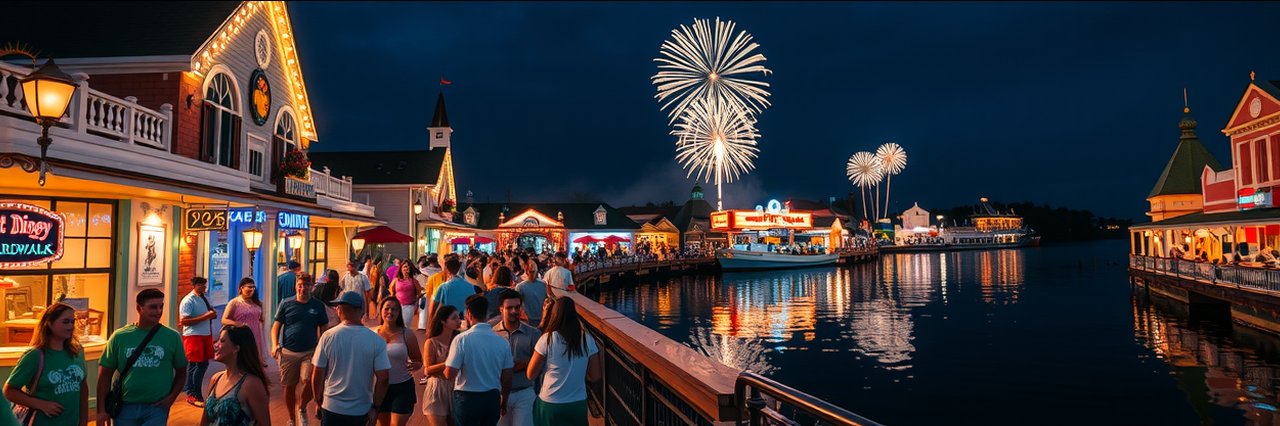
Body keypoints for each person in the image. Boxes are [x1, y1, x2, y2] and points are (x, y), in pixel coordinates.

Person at [96, 289, 188, 426]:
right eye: (153, 307)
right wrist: (101, 410)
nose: (158, 311)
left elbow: (181, 371)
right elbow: (104, 375)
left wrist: (171, 398)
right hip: (125, 407)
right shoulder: (120, 337)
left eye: (161, 306)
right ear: (139, 308)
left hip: (157, 407)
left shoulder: (172, 337)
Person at [311, 291, 390, 426]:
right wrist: (375, 408)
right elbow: (383, 378)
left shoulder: (328, 336)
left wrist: (318, 400)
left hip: (331, 407)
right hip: (360, 409)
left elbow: (317, 373)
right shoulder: (376, 341)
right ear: (361, 311)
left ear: (339, 310)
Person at [4, 303, 88, 426]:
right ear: (49, 323)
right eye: (65, 322)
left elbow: (83, 387)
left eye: (72, 322)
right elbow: (9, 391)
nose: (71, 326)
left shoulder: (77, 352)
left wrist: (83, 420)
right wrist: (42, 404)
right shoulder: (35, 356)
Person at [527, 297, 600, 426]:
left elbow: (530, 374)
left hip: (550, 403)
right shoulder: (587, 339)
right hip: (577, 404)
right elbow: (595, 376)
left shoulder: (547, 339)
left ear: (554, 315)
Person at [444, 295, 513, 426]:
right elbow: (508, 376)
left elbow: (449, 374)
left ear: (468, 314)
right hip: (492, 398)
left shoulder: (461, 339)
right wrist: (504, 401)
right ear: (486, 313)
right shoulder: (503, 342)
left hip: (467, 398)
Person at [273, 273, 330, 426]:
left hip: (310, 351)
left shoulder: (318, 306)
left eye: (306, 285)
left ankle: (302, 408)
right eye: (300, 285)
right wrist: (274, 344)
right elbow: (276, 326)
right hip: (288, 352)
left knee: (309, 380)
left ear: (311, 287)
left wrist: (322, 347)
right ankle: (291, 418)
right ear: (295, 286)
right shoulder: (286, 303)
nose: (302, 288)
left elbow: (324, 328)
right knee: (289, 386)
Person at [200, 325, 271, 426]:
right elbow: (204, 421)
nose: (216, 345)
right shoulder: (216, 378)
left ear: (236, 348)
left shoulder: (251, 384)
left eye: (222, 341)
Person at [490, 290, 540, 426]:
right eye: (509, 308)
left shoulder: (533, 333)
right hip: (498, 393)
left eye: (517, 307)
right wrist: (521, 365)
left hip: (525, 392)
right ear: (501, 309)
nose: (514, 311)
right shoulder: (491, 334)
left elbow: (538, 364)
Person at [375, 299, 423, 426]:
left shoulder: (407, 334)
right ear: (381, 310)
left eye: (394, 309)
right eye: (387, 308)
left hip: (402, 386)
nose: (390, 312)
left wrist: (417, 364)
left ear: (399, 312)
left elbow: (418, 360)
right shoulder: (373, 333)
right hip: (379, 388)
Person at [179, 277, 218, 407]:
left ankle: (197, 392)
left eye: (204, 285)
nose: (203, 287)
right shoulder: (188, 300)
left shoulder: (205, 297)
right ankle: (192, 393)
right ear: (194, 285)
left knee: (203, 364)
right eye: (200, 285)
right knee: (195, 365)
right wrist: (206, 316)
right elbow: (184, 321)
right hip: (193, 335)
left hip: (206, 333)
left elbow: (211, 312)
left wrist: (211, 314)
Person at [421, 305, 460, 426]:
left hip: (456, 388)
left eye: (459, 317)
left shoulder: (460, 340)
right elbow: (427, 370)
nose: (458, 320)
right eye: (454, 318)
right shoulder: (431, 342)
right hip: (437, 388)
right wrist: (449, 362)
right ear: (443, 321)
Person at [222, 278, 266, 364]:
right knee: (242, 358)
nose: (251, 289)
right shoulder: (234, 303)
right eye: (249, 287)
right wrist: (238, 324)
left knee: (254, 358)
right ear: (241, 288)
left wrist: (261, 331)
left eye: (253, 287)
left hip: (255, 334)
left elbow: (261, 319)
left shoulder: (258, 303)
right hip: (241, 333)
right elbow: (224, 320)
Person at [429, 256, 474, 323]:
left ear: (446, 269)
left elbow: (434, 307)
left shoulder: (444, 287)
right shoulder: (470, 286)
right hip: (466, 321)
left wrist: (432, 322)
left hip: (449, 321)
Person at [514, 260, 547, 325]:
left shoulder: (543, 284)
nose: (532, 274)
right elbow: (516, 304)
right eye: (530, 271)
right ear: (526, 272)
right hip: (527, 320)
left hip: (541, 319)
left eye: (534, 271)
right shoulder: (520, 286)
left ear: (537, 271)